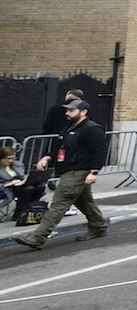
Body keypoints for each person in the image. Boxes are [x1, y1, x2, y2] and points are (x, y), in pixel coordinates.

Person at [10, 99, 110, 248]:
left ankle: (38, 237)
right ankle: (98, 226)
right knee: (83, 200)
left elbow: (100, 151)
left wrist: (94, 172)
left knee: (59, 203)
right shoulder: (68, 128)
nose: (67, 113)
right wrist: (47, 157)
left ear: (83, 112)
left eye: (71, 110)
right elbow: (59, 147)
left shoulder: (92, 129)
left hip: (78, 171)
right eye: (67, 110)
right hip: (68, 170)